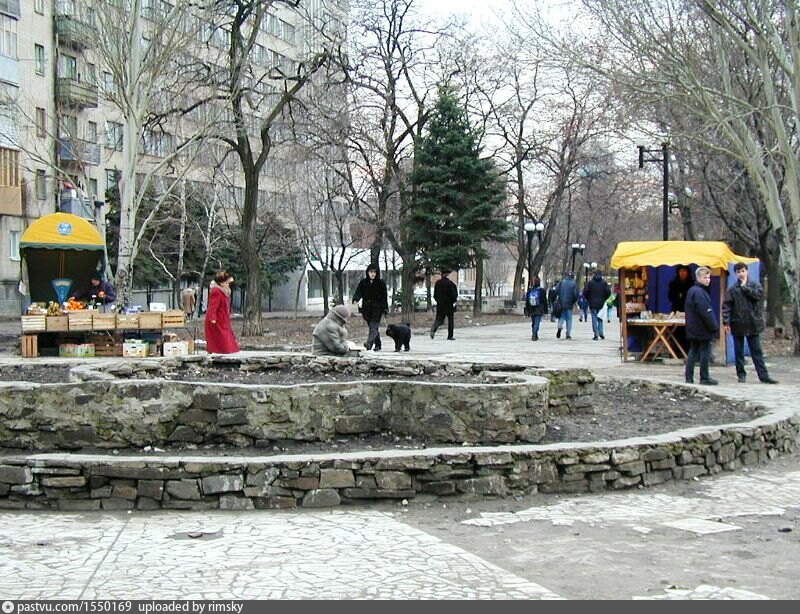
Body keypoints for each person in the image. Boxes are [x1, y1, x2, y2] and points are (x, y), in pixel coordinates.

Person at [722, 262, 778, 384]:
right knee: (739, 352)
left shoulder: (754, 284)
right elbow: (727, 307)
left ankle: (763, 376)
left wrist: (745, 288)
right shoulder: (732, 289)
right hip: (738, 323)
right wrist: (726, 322)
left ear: (747, 271)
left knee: (756, 351)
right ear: (735, 274)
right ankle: (741, 375)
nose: (741, 274)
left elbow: (757, 296)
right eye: (738, 272)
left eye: (743, 271)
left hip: (753, 323)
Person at [684, 266, 719, 385]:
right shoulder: (700, 292)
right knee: (704, 352)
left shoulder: (692, 291)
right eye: (705, 277)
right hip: (702, 328)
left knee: (693, 351)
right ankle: (704, 377)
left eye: (709, 277)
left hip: (693, 327)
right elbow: (706, 312)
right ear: (698, 278)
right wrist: (714, 327)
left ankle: (689, 377)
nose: (708, 280)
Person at [351, 264, 388, 351]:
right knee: (372, 328)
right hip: (366, 309)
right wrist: (356, 299)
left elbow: (384, 297)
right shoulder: (363, 282)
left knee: (373, 326)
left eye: (374, 272)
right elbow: (359, 292)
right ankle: (378, 344)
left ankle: (369, 343)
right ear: (367, 272)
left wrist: (385, 308)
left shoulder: (381, 283)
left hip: (377, 309)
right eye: (371, 272)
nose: (373, 274)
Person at [205, 271, 240, 354]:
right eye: (227, 283)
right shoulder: (216, 291)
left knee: (226, 339)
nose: (228, 285)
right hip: (217, 320)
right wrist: (212, 318)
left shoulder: (224, 291)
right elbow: (213, 306)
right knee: (222, 340)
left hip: (223, 319)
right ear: (221, 283)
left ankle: (226, 353)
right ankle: (219, 353)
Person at [583, 269, 612, 341]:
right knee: (600, 318)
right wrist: (604, 298)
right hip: (601, 303)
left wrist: (588, 298)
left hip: (592, 303)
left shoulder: (590, 283)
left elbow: (585, 292)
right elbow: (608, 292)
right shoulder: (604, 283)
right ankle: (601, 333)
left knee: (594, 318)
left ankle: (596, 334)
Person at [430, 269, 458, 340]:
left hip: (440, 305)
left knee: (439, 319)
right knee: (450, 321)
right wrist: (453, 301)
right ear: (447, 275)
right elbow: (454, 295)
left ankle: (434, 327)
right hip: (449, 305)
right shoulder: (450, 284)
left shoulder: (437, 283)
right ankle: (450, 336)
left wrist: (438, 301)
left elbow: (435, 295)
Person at [555, 272, 579, 340]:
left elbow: (556, 291)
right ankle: (568, 334)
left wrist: (559, 297)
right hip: (569, 303)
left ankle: (560, 326)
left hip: (561, 303)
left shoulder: (562, 282)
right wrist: (573, 301)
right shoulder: (574, 284)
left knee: (561, 317)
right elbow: (575, 294)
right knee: (569, 319)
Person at [524, 277, 548, 341]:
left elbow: (527, 301)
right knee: (537, 322)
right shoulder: (542, 291)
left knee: (533, 322)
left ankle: (535, 334)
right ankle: (534, 334)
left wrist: (527, 310)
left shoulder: (530, 290)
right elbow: (544, 301)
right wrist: (546, 310)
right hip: (539, 308)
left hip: (531, 308)